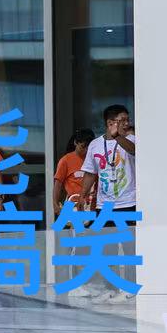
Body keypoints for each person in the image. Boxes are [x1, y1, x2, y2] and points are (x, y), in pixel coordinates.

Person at [78, 104, 138, 302]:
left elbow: (134, 151)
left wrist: (118, 136)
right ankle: (110, 288)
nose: (127, 123)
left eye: (127, 119)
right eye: (123, 120)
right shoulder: (95, 145)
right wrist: (83, 195)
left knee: (129, 248)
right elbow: (90, 172)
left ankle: (129, 287)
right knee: (106, 249)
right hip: (104, 205)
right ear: (110, 122)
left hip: (128, 202)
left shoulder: (131, 140)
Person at [52, 128, 94, 217]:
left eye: (89, 147)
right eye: (83, 147)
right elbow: (58, 184)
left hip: (91, 204)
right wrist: (55, 203)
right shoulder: (66, 160)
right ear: (76, 143)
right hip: (73, 204)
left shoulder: (93, 159)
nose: (86, 150)